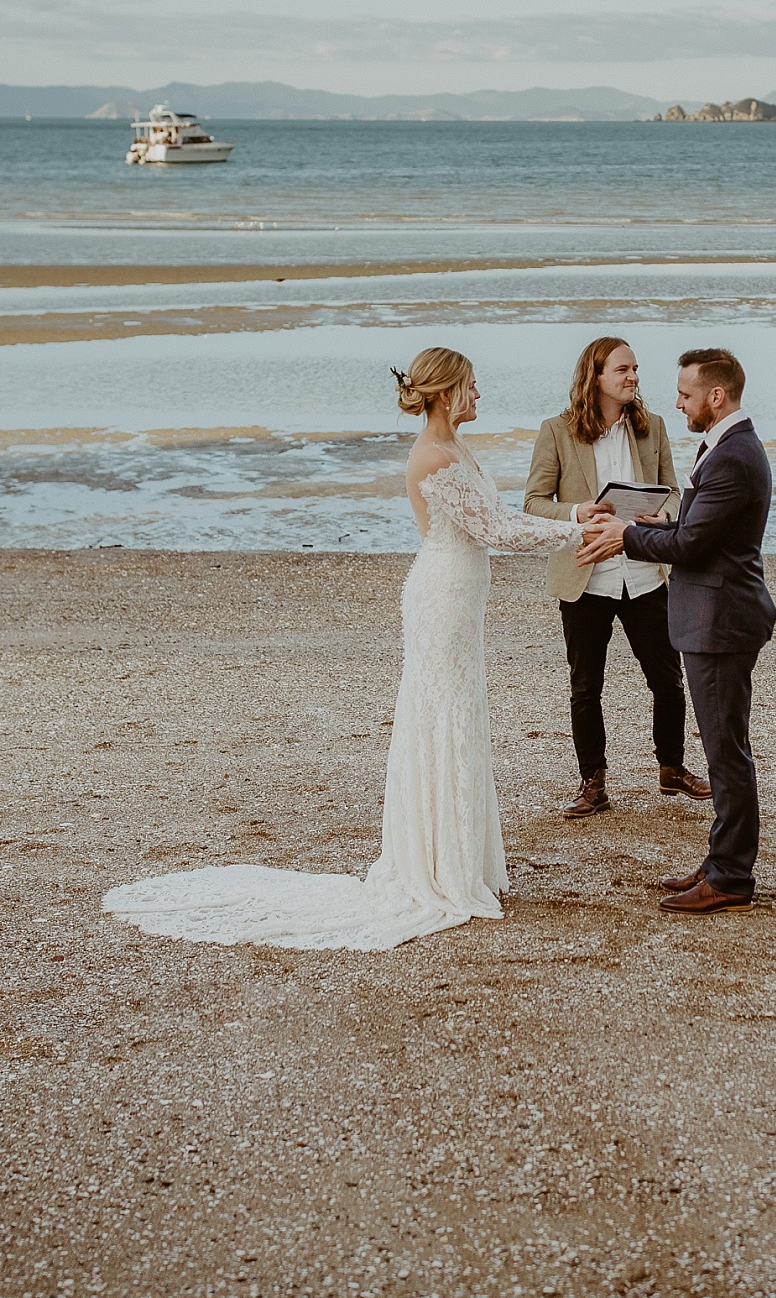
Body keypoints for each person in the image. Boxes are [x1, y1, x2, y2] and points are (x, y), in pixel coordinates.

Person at [101, 347, 584, 950]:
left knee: (459, 716)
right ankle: (439, 870)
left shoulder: (457, 447)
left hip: (461, 599)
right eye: (471, 386)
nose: (480, 396)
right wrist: (578, 532)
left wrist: (574, 518)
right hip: (441, 598)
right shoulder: (434, 456)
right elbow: (496, 531)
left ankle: (460, 860)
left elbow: (493, 518)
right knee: (442, 719)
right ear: (442, 394)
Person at [577, 348, 774, 916]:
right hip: (716, 616)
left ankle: (732, 876)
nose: (677, 402)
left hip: (722, 621)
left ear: (716, 396)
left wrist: (625, 536)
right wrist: (663, 521)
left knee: (725, 754)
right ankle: (720, 861)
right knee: (723, 748)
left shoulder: (733, 455)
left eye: (686, 394)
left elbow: (693, 548)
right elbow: (696, 528)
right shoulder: (726, 447)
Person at [523, 337, 709, 819]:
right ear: (596, 377)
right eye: (623, 369)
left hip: (645, 572)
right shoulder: (557, 431)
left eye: (635, 369)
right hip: (586, 575)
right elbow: (533, 503)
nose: (633, 377)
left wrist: (657, 520)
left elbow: (673, 496)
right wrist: (578, 510)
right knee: (586, 686)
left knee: (668, 680)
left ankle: (672, 769)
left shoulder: (653, 428)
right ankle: (593, 783)